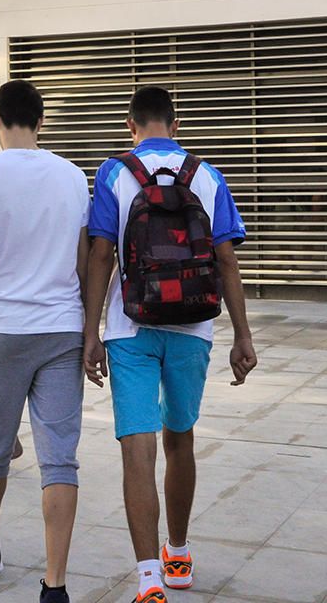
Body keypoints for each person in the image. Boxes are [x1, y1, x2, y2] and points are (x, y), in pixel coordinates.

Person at [83, 86, 257, 603]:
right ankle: (177, 551)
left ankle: (148, 582)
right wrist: (243, 335)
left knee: (137, 447)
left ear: (130, 125)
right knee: (180, 439)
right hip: (194, 327)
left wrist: (90, 333)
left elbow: (99, 257)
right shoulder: (207, 174)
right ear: (175, 124)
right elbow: (227, 260)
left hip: (128, 327)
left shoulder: (114, 173)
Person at [0, 80, 90, 603]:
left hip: (2, 327)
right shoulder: (73, 175)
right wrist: (88, 327)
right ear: (41, 121)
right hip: (62, 327)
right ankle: (54, 584)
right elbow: (83, 262)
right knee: (59, 459)